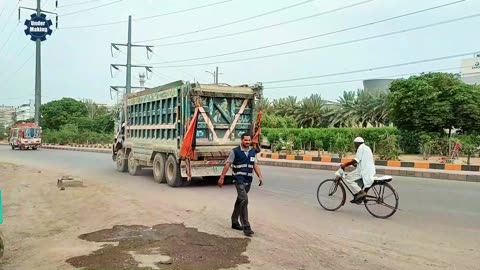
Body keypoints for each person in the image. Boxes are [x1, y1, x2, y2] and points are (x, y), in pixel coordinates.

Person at [218, 133, 264, 237]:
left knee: (240, 200)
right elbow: (228, 164)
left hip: (248, 180)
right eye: (245, 140)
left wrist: (260, 176)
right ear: (241, 140)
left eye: (249, 141)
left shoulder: (252, 152)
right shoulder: (235, 151)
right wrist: (222, 177)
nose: (247, 142)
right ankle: (246, 227)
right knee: (244, 199)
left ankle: (234, 222)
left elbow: (255, 165)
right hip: (238, 179)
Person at [340, 137, 376, 204]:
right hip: (370, 169)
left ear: (357, 143)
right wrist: (356, 165)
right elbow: (363, 160)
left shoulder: (360, 148)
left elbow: (356, 160)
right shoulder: (366, 148)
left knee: (348, 178)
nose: (354, 146)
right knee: (357, 181)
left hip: (363, 170)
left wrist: (345, 165)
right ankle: (359, 197)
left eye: (355, 144)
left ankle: (361, 193)